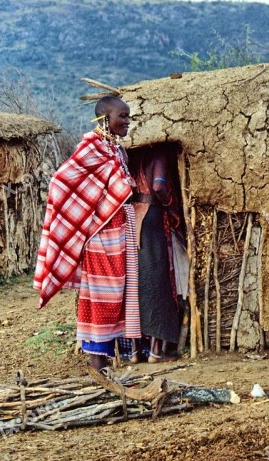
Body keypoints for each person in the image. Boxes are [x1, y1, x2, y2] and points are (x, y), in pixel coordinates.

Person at [34, 96, 140, 371]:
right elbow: (61, 181)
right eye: (122, 116)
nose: (127, 121)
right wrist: (88, 223)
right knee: (100, 297)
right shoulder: (91, 148)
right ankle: (96, 363)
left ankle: (105, 362)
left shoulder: (115, 149)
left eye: (129, 116)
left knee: (117, 295)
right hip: (101, 237)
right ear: (105, 119)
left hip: (120, 232)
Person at [122, 147, 182, 363]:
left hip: (131, 214)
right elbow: (158, 185)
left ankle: (135, 351)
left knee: (136, 282)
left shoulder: (131, 156)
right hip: (151, 215)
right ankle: (157, 351)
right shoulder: (159, 154)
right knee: (158, 280)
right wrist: (171, 205)